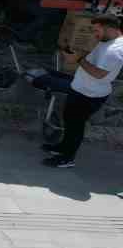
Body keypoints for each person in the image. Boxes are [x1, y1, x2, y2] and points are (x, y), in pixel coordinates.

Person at [43, 14, 123, 168]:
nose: (94, 34)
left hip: (90, 95)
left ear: (108, 28)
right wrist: (79, 54)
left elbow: (99, 74)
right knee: (69, 120)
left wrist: (77, 60)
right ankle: (63, 147)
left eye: (96, 30)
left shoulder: (116, 50)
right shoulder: (107, 40)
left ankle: (67, 158)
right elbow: (96, 59)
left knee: (75, 126)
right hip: (80, 89)